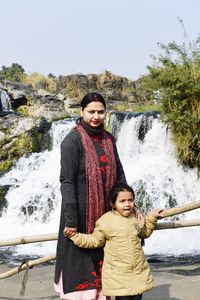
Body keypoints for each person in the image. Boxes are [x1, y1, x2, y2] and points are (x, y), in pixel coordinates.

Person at [54, 92, 143, 300]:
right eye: (91, 111)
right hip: (81, 215)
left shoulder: (108, 139)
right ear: (81, 112)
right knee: (82, 267)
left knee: (108, 264)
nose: (96, 116)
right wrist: (71, 219)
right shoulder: (72, 141)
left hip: (107, 214)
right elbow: (67, 182)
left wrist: (129, 203)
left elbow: (119, 174)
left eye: (100, 112)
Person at [68, 183, 164, 300]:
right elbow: (95, 240)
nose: (127, 204)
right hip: (119, 275)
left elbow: (144, 233)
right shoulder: (105, 221)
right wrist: (75, 236)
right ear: (113, 204)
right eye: (122, 201)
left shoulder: (135, 218)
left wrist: (152, 217)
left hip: (138, 271)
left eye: (130, 200)